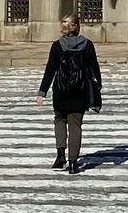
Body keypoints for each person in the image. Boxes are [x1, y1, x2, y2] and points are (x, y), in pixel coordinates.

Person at [38, 12, 102, 171]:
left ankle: (60, 156)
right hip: (80, 91)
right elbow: (94, 68)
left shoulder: (57, 46)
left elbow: (50, 70)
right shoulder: (87, 45)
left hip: (61, 90)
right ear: (77, 26)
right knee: (75, 126)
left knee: (59, 120)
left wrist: (42, 92)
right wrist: (97, 88)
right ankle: (73, 163)